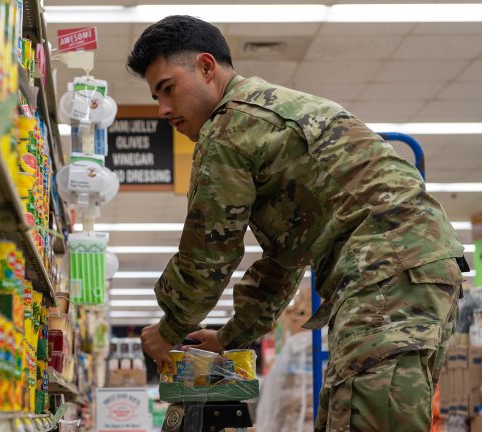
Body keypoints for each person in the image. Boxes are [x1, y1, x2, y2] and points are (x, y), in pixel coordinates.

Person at [127, 15, 469, 431]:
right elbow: (282, 261)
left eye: (168, 89)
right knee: (358, 413)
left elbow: (208, 255)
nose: (164, 110)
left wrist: (169, 328)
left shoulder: (228, 130)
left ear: (205, 67)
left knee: (367, 419)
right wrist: (229, 337)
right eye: (155, 98)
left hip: (384, 275)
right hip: (413, 270)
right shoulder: (275, 110)